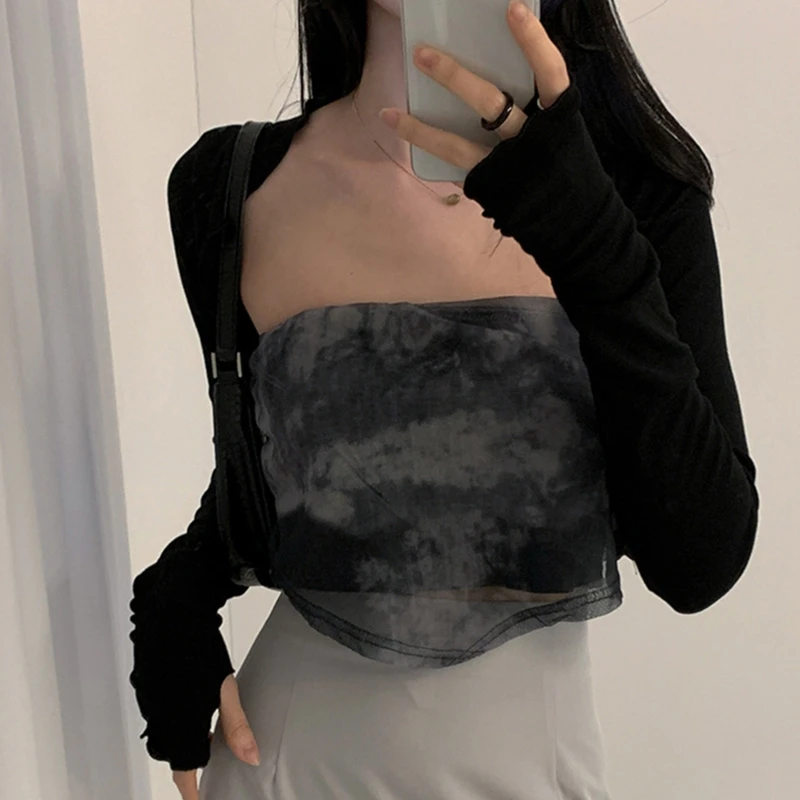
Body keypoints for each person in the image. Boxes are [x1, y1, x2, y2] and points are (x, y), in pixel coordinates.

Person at [128, 0, 760, 798]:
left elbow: (700, 562)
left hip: (532, 769)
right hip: (289, 759)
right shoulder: (229, 184)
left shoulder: (634, 194)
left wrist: (591, 240)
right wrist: (179, 593)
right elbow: (292, 462)